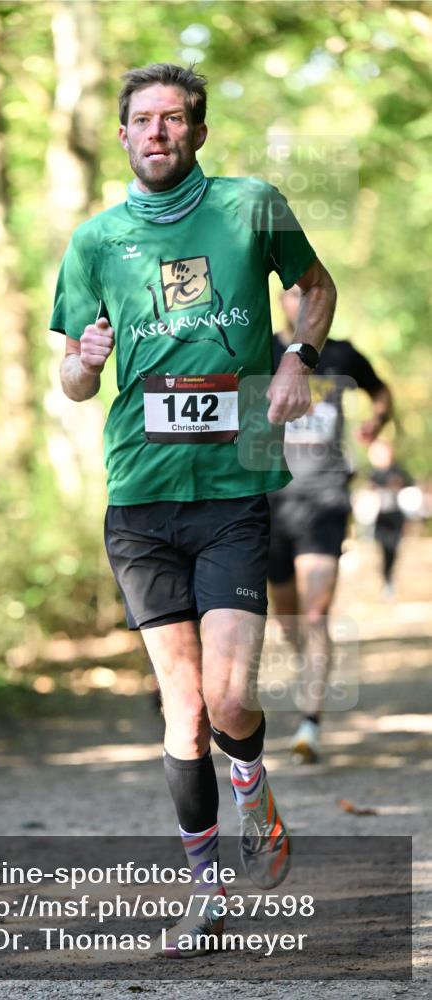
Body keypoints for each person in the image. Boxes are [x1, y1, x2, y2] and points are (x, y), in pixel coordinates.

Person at [50, 63, 336, 957]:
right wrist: (87, 362)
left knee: (228, 695)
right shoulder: (94, 240)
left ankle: (252, 783)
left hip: (232, 489)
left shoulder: (251, 205)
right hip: (137, 496)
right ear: (125, 135)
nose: (158, 132)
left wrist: (296, 356)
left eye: (175, 119)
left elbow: (315, 288)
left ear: (198, 132)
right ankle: (206, 886)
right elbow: (67, 378)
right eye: (142, 120)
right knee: (180, 710)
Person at [267, 285, 393, 764]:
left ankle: (309, 723)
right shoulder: (262, 349)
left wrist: (376, 421)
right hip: (271, 502)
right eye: (293, 294)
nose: (302, 303)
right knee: (290, 619)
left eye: (309, 294)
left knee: (315, 614)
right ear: (282, 302)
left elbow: (382, 393)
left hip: (324, 498)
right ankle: (310, 666)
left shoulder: (342, 356)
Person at [368, 439, 411, 597]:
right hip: (381, 518)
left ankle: (389, 579)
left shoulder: (398, 470)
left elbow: (409, 491)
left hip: (396, 518)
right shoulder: (375, 473)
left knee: (393, 549)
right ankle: (386, 579)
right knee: (383, 549)